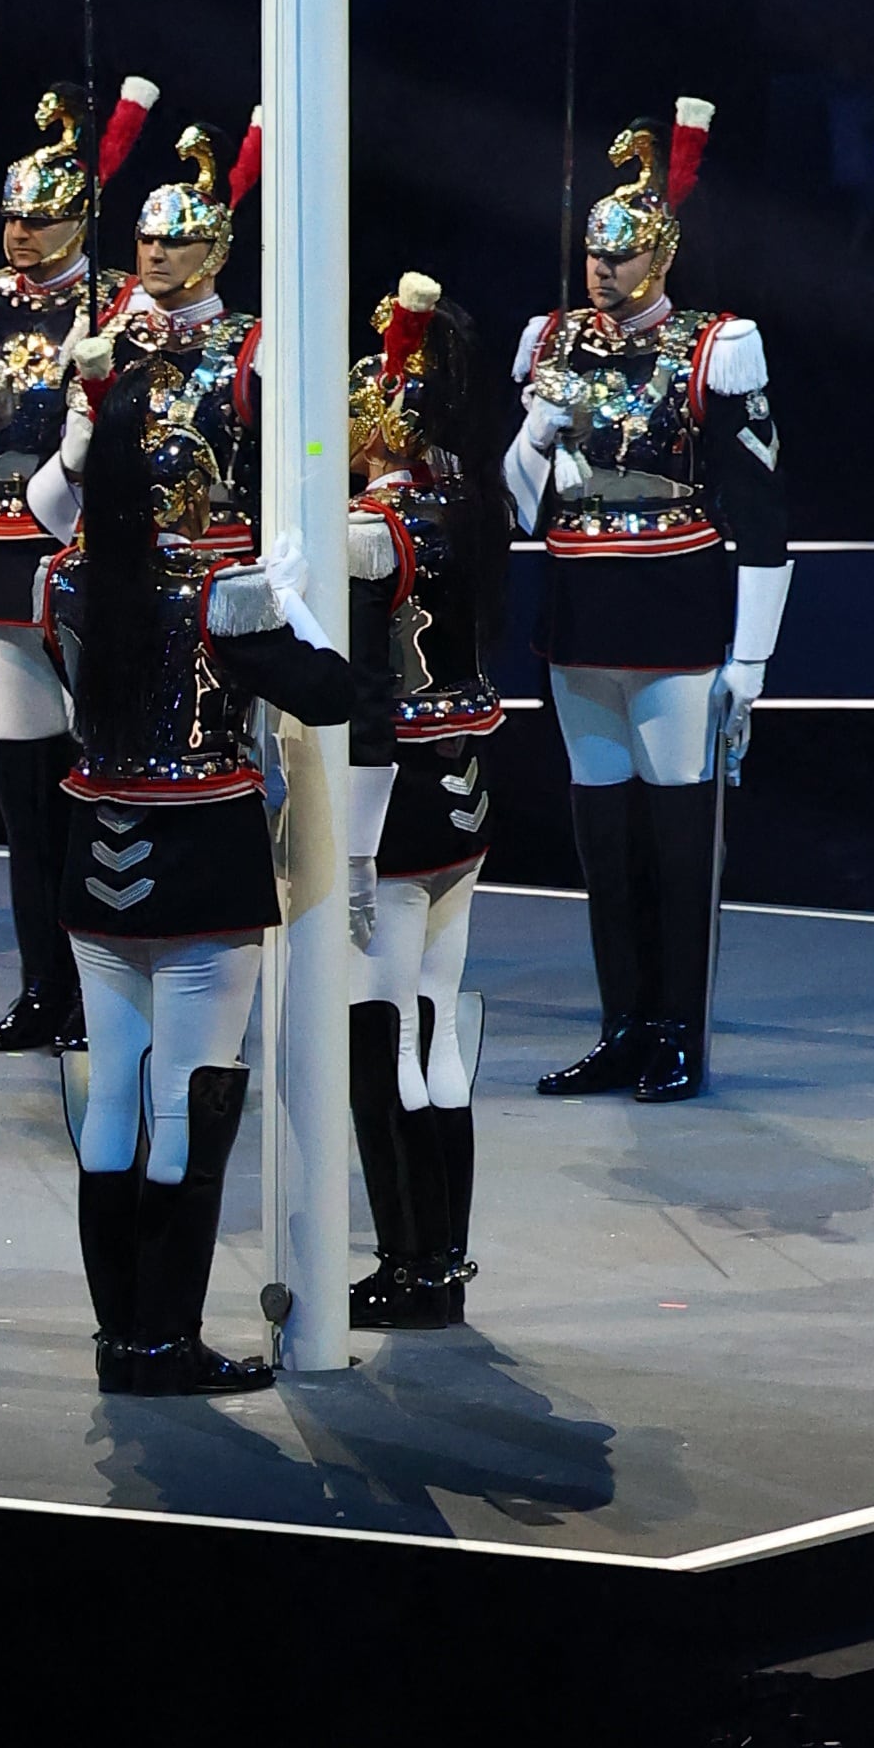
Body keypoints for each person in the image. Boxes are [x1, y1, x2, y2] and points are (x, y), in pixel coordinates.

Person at [42, 334, 348, 1399]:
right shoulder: (219, 589)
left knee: (114, 1102)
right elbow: (332, 690)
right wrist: (291, 594)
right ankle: (166, 1336)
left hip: (95, 854)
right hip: (200, 858)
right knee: (190, 1096)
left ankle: (118, 1334)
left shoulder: (60, 578)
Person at [507, 102, 788, 1104]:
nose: (602, 272)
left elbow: (762, 511)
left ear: (660, 256)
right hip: (579, 604)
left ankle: (678, 1029)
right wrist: (536, 434)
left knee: (675, 836)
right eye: (593, 255)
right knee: (603, 835)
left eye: (620, 258)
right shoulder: (549, 340)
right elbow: (513, 499)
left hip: (674, 605)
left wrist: (750, 660)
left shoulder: (717, 344)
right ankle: (621, 1023)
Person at [0, 73, 153, 1051]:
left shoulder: (126, 303)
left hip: (94, 566)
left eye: (43, 215)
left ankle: (111, 989)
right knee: (24, 793)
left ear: (81, 214)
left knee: (99, 781)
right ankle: (39, 983)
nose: (21, 232)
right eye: (14, 215)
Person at [344, 272, 506, 1325]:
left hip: (391, 805)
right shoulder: (467, 492)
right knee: (438, 1029)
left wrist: (350, 853)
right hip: (466, 781)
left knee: (382, 1037)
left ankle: (408, 1260)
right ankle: (443, 1257)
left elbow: (358, 691)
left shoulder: (374, 528)